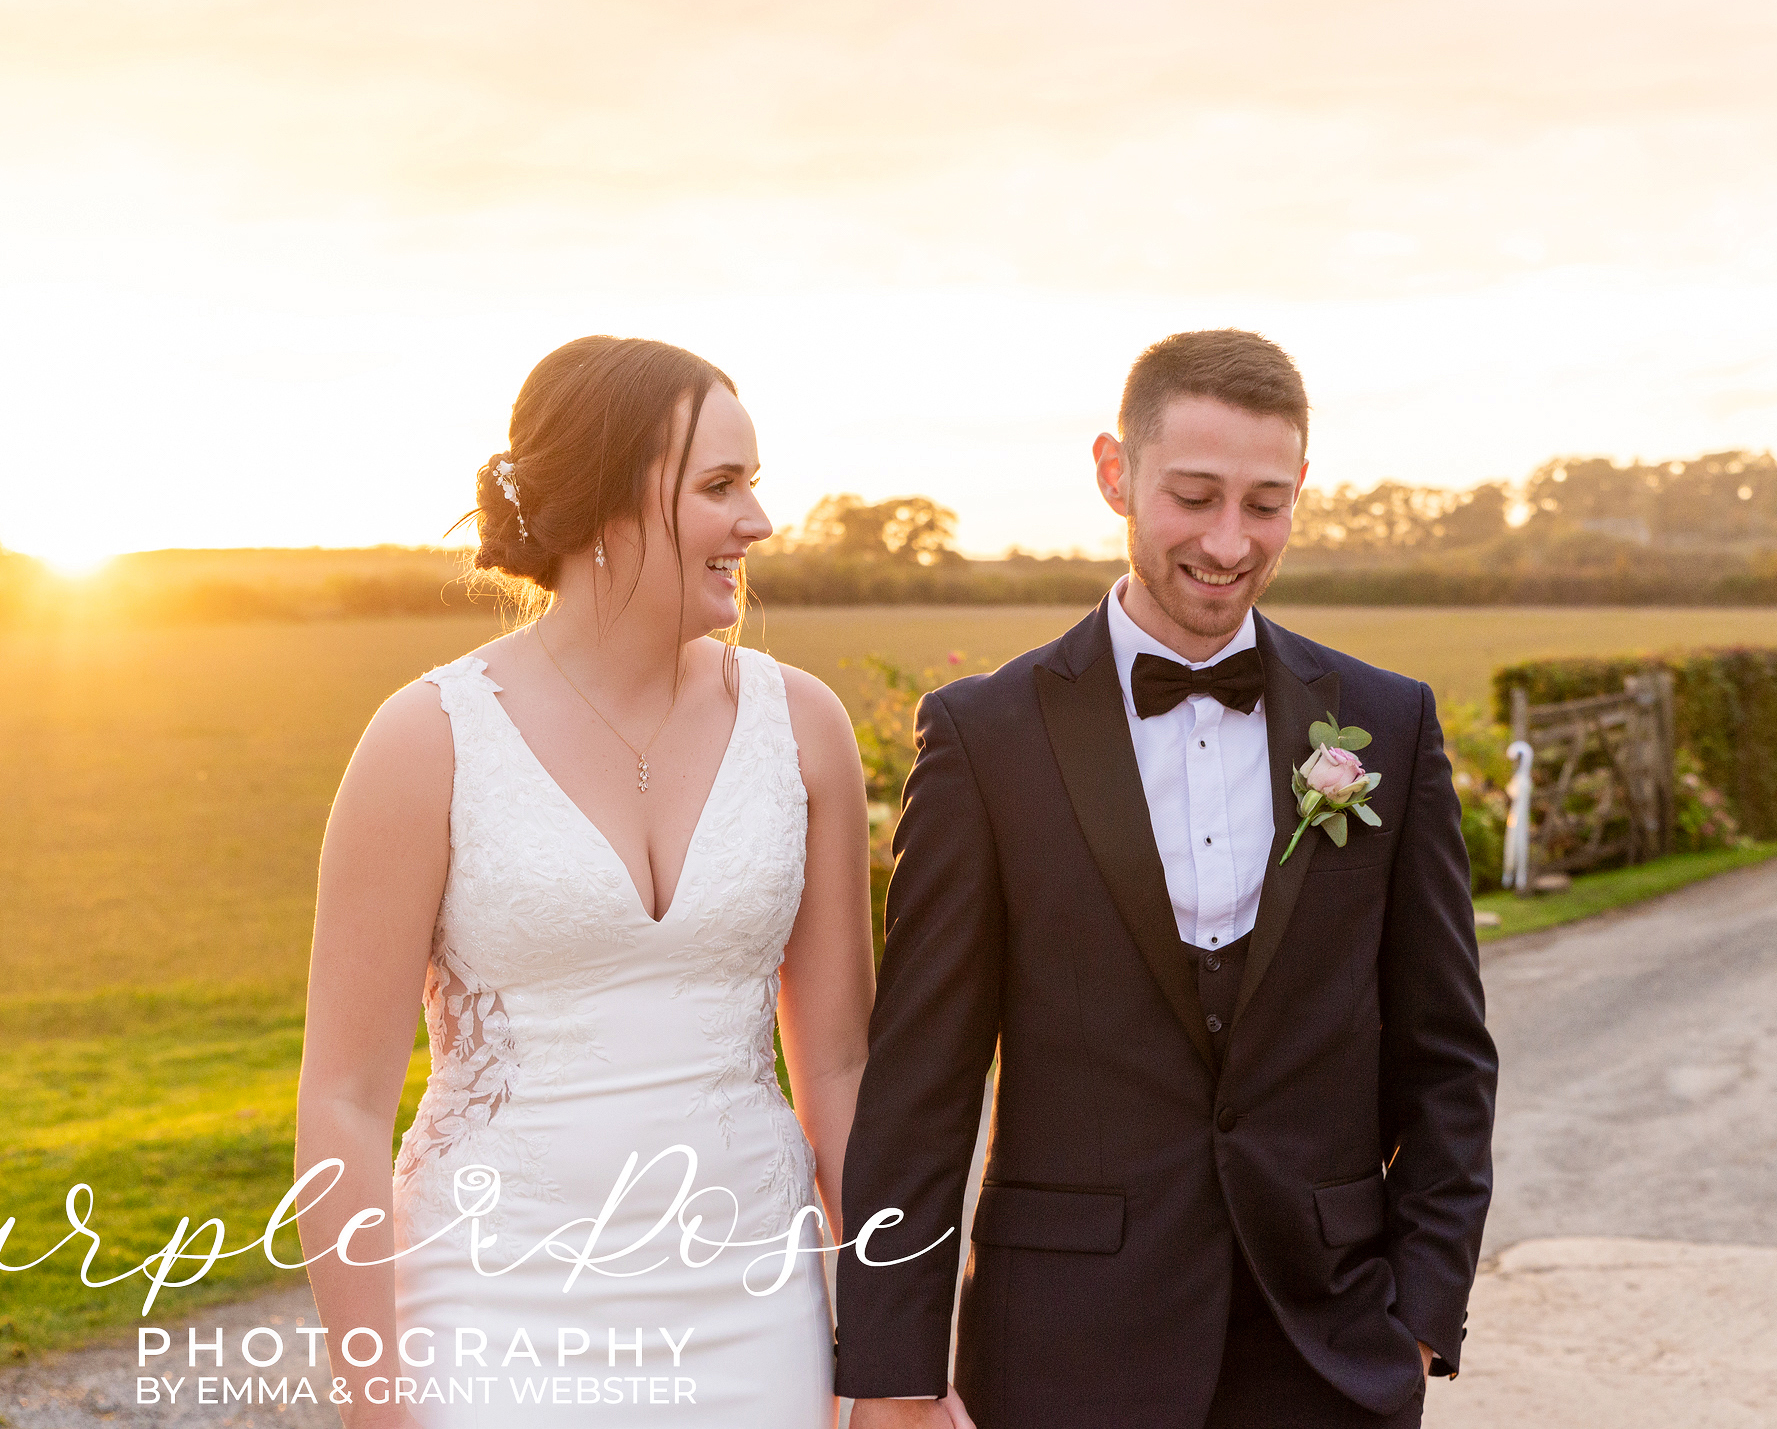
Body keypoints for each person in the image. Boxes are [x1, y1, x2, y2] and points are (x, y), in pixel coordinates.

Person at [833, 329, 1497, 1429]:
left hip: (1330, 1349)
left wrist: (1422, 1309)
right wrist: (896, 1373)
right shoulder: (985, 738)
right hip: (1061, 1350)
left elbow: (1447, 1054)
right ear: (1114, 474)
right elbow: (924, 1084)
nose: (1231, 542)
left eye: (1266, 504)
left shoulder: (1389, 724)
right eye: (1194, 496)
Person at [295, 336, 874, 1428]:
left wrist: (893, 1359)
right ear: (607, 509)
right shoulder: (427, 741)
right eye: (720, 487)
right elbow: (343, 1101)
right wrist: (375, 1398)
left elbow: (838, 1068)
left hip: (753, 1316)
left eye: (754, 483)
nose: (757, 521)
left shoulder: (804, 729)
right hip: (493, 1306)